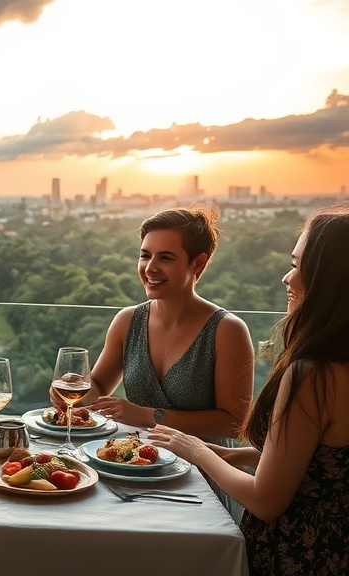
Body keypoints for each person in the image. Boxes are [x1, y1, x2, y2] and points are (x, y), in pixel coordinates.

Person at [149, 205, 349, 575]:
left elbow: (267, 500)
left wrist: (197, 452)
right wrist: (231, 456)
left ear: (328, 278)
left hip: (300, 554)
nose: (286, 279)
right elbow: (322, 471)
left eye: (296, 264)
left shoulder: (313, 375)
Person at [67, 207, 255, 440]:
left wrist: (149, 416)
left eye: (165, 258)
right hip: (135, 460)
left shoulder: (226, 330)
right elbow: (97, 387)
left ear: (198, 263)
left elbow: (234, 424)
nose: (150, 268)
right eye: (145, 255)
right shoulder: (127, 321)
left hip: (204, 467)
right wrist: (76, 389)